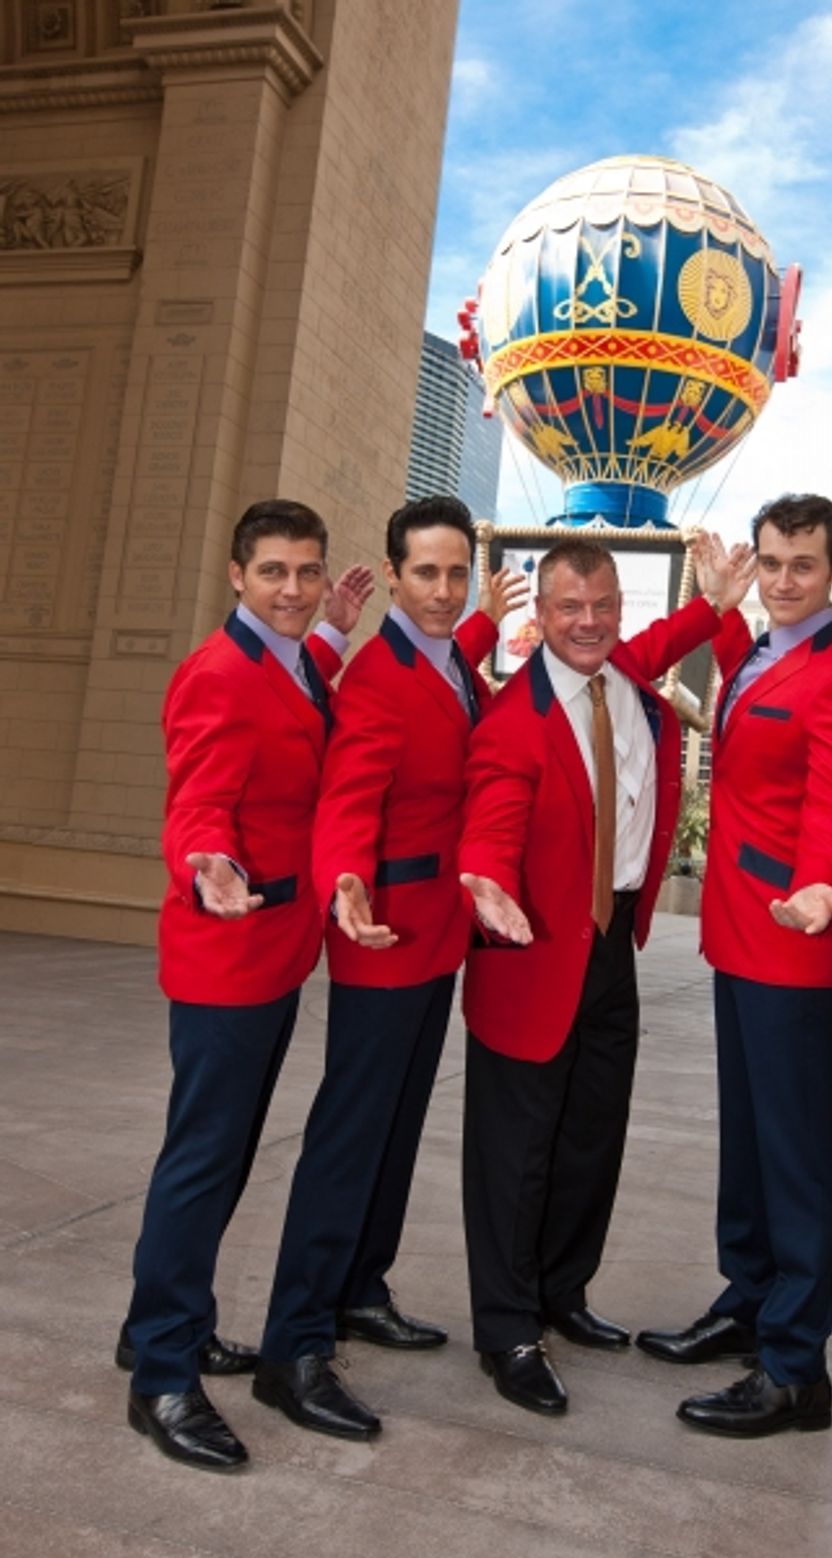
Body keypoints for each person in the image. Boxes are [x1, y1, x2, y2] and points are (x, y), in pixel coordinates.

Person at [457, 532, 752, 1415]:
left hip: (611, 943)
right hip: (530, 944)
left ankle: (560, 1292)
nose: (587, 624)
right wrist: (484, 881)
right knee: (516, 1156)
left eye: (603, 606)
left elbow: (670, 638)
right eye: (568, 609)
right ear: (538, 617)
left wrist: (718, 600)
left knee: (591, 1137)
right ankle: (507, 1329)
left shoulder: (627, 669)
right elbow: (494, 814)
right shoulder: (513, 720)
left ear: (620, 608)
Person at [253, 495, 527, 1439]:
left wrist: (483, 613)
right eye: (426, 575)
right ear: (394, 577)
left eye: (457, 573)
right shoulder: (376, 675)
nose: (444, 591)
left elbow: (454, 653)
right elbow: (350, 795)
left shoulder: (448, 653)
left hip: (435, 936)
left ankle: (359, 1288)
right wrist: (342, 880)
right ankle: (293, 1347)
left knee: (400, 1125)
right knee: (349, 1135)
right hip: (382, 936)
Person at [119, 499, 373, 1472]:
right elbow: (197, 799)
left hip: (272, 954)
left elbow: (308, 703)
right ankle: (161, 1376)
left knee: (217, 1160)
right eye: (275, 573)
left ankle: (154, 1326)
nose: (297, 589)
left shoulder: (297, 657)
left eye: (309, 572)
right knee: (202, 1163)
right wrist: (206, 860)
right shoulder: (217, 673)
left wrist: (338, 631)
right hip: (226, 952)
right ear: (236, 576)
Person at [636, 494, 832, 1438]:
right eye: (773, 562)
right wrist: (721, 602)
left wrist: (822, 883)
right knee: (746, 1139)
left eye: (803, 566)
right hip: (739, 930)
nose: (784, 581)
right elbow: (738, 692)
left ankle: (794, 1368)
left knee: (792, 1155)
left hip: (790, 930)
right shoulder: (765, 655)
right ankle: (748, 1300)